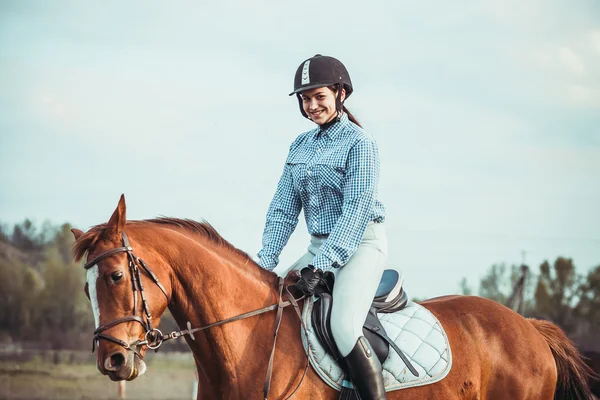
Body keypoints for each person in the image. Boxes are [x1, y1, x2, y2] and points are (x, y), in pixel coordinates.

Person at [257, 54, 388, 399]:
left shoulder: (361, 144)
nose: (312, 106)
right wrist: (263, 263)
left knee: (343, 327)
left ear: (340, 94)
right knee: (272, 309)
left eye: (319, 97)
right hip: (318, 247)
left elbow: (356, 212)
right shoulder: (299, 146)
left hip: (361, 245)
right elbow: (283, 209)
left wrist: (322, 264)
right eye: (305, 99)